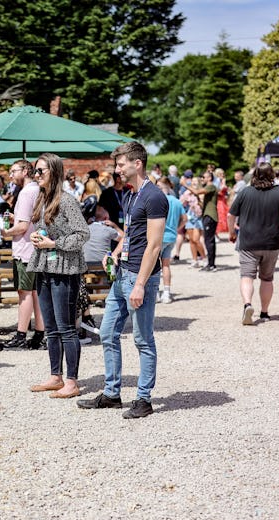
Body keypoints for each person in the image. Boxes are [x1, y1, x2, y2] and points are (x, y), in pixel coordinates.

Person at [78, 141, 168, 419]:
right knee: (107, 333)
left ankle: (144, 398)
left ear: (137, 164)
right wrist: (114, 253)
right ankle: (112, 393)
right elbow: (129, 234)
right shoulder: (130, 195)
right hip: (122, 274)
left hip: (140, 276)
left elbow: (154, 246)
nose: (116, 169)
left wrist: (140, 284)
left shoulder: (154, 197)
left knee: (142, 339)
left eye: (120, 164)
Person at [27, 153, 89, 398]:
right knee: (50, 327)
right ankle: (56, 376)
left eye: (41, 170)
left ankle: (72, 382)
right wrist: (36, 238)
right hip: (44, 267)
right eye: (35, 170)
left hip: (65, 269)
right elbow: (44, 232)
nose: (37, 175)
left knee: (66, 328)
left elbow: (82, 234)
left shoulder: (67, 201)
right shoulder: (42, 200)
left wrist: (54, 243)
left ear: (54, 172)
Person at [227, 162, 279, 325]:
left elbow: (231, 215)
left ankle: (247, 304)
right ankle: (264, 312)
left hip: (248, 241)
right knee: (267, 279)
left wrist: (231, 233)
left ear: (254, 175)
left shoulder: (245, 192)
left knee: (247, 276)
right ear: (272, 175)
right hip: (271, 242)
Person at [0, 160, 46, 350]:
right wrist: (15, 218)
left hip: (25, 250)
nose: (10, 176)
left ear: (25, 171)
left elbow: (23, 226)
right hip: (35, 248)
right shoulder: (37, 189)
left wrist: (5, 232)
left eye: (13, 171)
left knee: (24, 293)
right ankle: (40, 334)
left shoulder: (26, 192)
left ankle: (20, 334)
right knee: (36, 294)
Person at [157, 177, 186, 304]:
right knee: (166, 265)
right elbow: (185, 219)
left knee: (154, 266)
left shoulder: (159, 200)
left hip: (159, 236)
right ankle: (167, 293)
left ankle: (156, 293)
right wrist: (176, 228)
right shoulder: (176, 201)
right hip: (172, 236)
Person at [186, 170, 219, 271]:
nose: (202, 179)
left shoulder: (211, 186)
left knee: (208, 240)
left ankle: (211, 264)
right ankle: (211, 263)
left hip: (210, 216)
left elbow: (196, 191)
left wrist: (184, 184)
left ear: (209, 178)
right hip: (208, 216)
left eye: (204, 177)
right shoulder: (209, 187)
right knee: (209, 240)